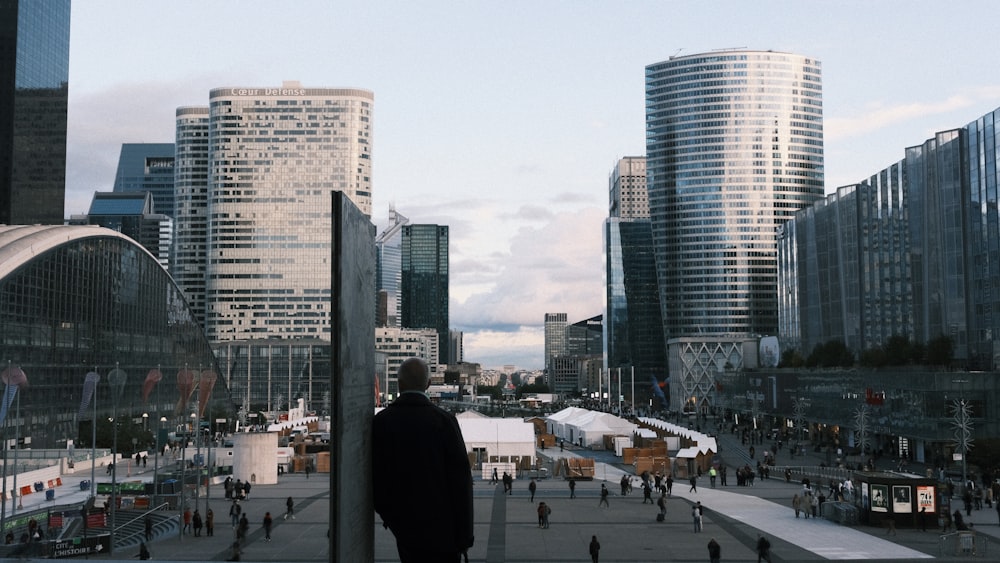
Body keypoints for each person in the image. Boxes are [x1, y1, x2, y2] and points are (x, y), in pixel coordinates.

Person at [373, 357, 474, 563]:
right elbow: (461, 482)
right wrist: (464, 537)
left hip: (404, 530)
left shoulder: (381, 422)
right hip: (443, 533)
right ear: (428, 385)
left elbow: (376, 478)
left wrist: (392, 518)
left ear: (399, 384)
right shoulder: (445, 421)